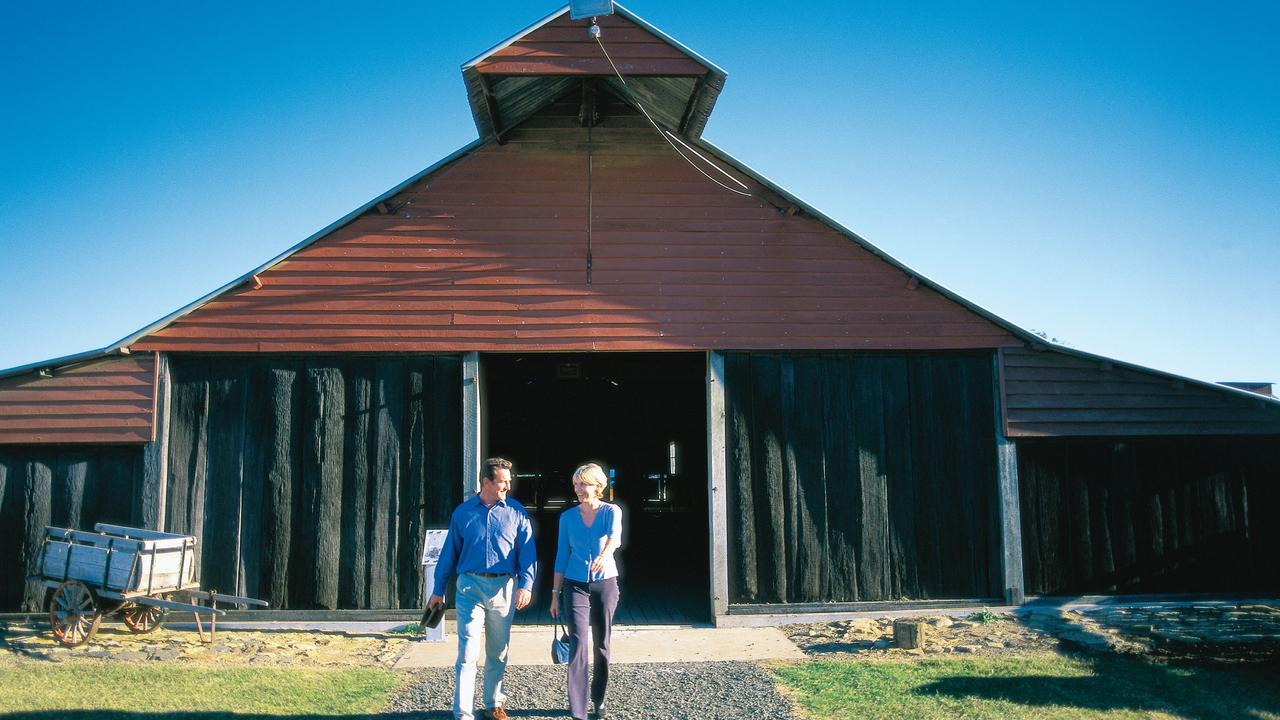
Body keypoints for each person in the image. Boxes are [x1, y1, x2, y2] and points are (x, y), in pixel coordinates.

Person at [428, 457, 537, 720]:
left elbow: (528, 551)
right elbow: (448, 555)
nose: (508, 487)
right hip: (470, 588)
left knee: (498, 651)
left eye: (509, 482)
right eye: (503, 482)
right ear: (486, 482)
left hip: (504, 588)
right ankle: (463, 713)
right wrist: (438, 589)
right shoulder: (463, 513)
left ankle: (493, 703)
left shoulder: (517, 512)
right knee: (467, 652)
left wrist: (527, 584)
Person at [550, 463, 623, 720]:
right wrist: (554, 594)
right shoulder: (567, 517)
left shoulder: (611, 512)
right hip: (575, 584)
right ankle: (578, 709)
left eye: (584, 484)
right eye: (576, 484)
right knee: (578, 643)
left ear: (598, 486)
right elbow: (561, 555)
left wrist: (604, 555)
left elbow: (614, 537)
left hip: (605, 583)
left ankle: (599, 699)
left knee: (602, 644)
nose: (579, 489)